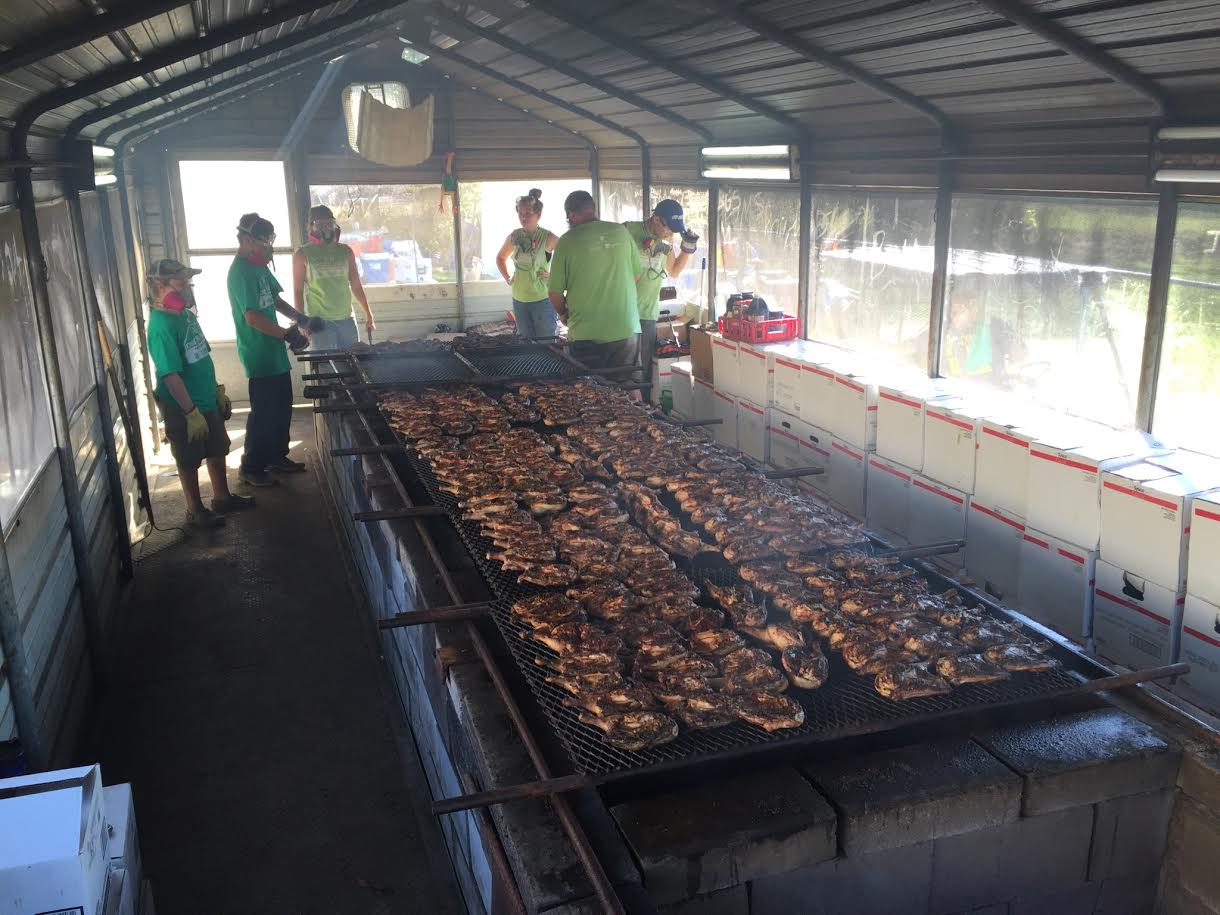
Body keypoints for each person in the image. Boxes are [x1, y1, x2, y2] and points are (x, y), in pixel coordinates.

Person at [145, 259, 254, 530]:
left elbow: (200, 354)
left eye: (188, 282)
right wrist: (190, 411)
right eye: (181, 282)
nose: (187, 288)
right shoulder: (160, 326)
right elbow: (170, 374)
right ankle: (195, 510)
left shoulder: (185, 316)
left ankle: (222, 497)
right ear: (159, 285)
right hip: (184, 405)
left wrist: (215, 389)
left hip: (205, 397)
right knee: (189, 457)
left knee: (217, 449)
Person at [228, 213, 311, 487]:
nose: (268, 248)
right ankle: (251, 467)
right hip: (259, 352)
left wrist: (301, 319)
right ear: (248, 239)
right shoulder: (240, 272)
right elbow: (251, 316)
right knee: (263, 412)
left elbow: (275, 300)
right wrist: (287, 334)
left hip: (274, 351)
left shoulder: (259, 266)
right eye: (264, 243)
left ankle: (277, 456)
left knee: (282, 407)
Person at [547, 190, 642, 373]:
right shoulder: (621, 232)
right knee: (630, 387)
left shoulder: (567, 241)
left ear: (571, 215)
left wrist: (563, 313)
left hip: (586, 332)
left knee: (591, 392)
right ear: (593, 209)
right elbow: (636, 275)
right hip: (625, 327)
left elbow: (555, 294)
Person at [623, 198, 699, 390]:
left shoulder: (664, 241)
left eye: (674, 230)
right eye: (668, 228)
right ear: (656, 219)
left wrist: (687, 248)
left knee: (642, 372)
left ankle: (640, 414)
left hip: (647, 314)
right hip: (622, 314)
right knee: (624, 372)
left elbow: (673, 270)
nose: (670, 233)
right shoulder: (626, 232)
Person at [291, 205, 375, 350]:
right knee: (325, 367)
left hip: (346, 319)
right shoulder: (302, 254)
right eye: (320, 225)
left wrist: (369, 314)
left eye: (329, 223)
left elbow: (356, 285)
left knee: (353, 366)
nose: (326, 228)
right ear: (311, 227)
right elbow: (298, 290)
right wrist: (301, 321)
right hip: (318, 322)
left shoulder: (345, 252)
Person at [495, 188, 560, 338]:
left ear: (539, 214)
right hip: (519, 300)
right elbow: (500, 258)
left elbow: (570, 260)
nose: (523, 218)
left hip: (542, 301)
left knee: (546, 344)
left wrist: (553, 277)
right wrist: (508, 278)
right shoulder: (514, 236)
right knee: (526, 346)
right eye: (520, 214)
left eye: (528, 214)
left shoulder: (548, 238)